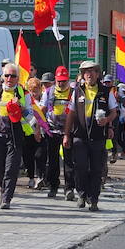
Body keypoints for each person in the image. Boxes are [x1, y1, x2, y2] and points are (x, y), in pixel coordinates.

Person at [0, 62, 38, 209]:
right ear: (3, 76)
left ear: (17, 78)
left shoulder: (23, 93)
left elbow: (30, 115)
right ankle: (1, 187)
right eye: (7, 75)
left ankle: (6, 198)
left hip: (14, 136)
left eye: (13, 76)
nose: (9, 78)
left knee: (11, 169)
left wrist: (21, 108)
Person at [63, 60, 117, 211]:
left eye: (92, 71)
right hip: (79, 136)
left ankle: (94, 199)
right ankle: (81, 194)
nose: (89, 75)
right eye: (86, 72)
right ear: (82, 75)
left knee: (96, 169)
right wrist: (66, 135)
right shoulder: (77, 91)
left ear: (98, 74)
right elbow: (71, 114)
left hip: (98, 137)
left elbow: (113, 112)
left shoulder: (106, 92)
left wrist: (107, 120)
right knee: (80, 167)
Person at [42, 66, 75, 199]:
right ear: (55, 79)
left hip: (69, 130)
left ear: (68, 79)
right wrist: (39, 126)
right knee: (53, 160)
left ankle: (69, 188)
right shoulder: (49, 92)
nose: (61, 83)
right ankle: (53, 186)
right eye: (59, 81)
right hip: (52, 130)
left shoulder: (73, 92)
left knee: (69, 161)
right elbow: (42, 109)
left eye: (64, 81)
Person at [26, 76, 49, 189]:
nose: (33, 93)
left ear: (40, 89)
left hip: (41, 132)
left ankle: (40, 177)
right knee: (29, 156)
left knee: (40, 155)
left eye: (35, 91)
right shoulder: (27, 101)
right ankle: (31, 177)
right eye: (31, 91)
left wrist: (38, 130)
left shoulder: (44, 101)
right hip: (28, 131)